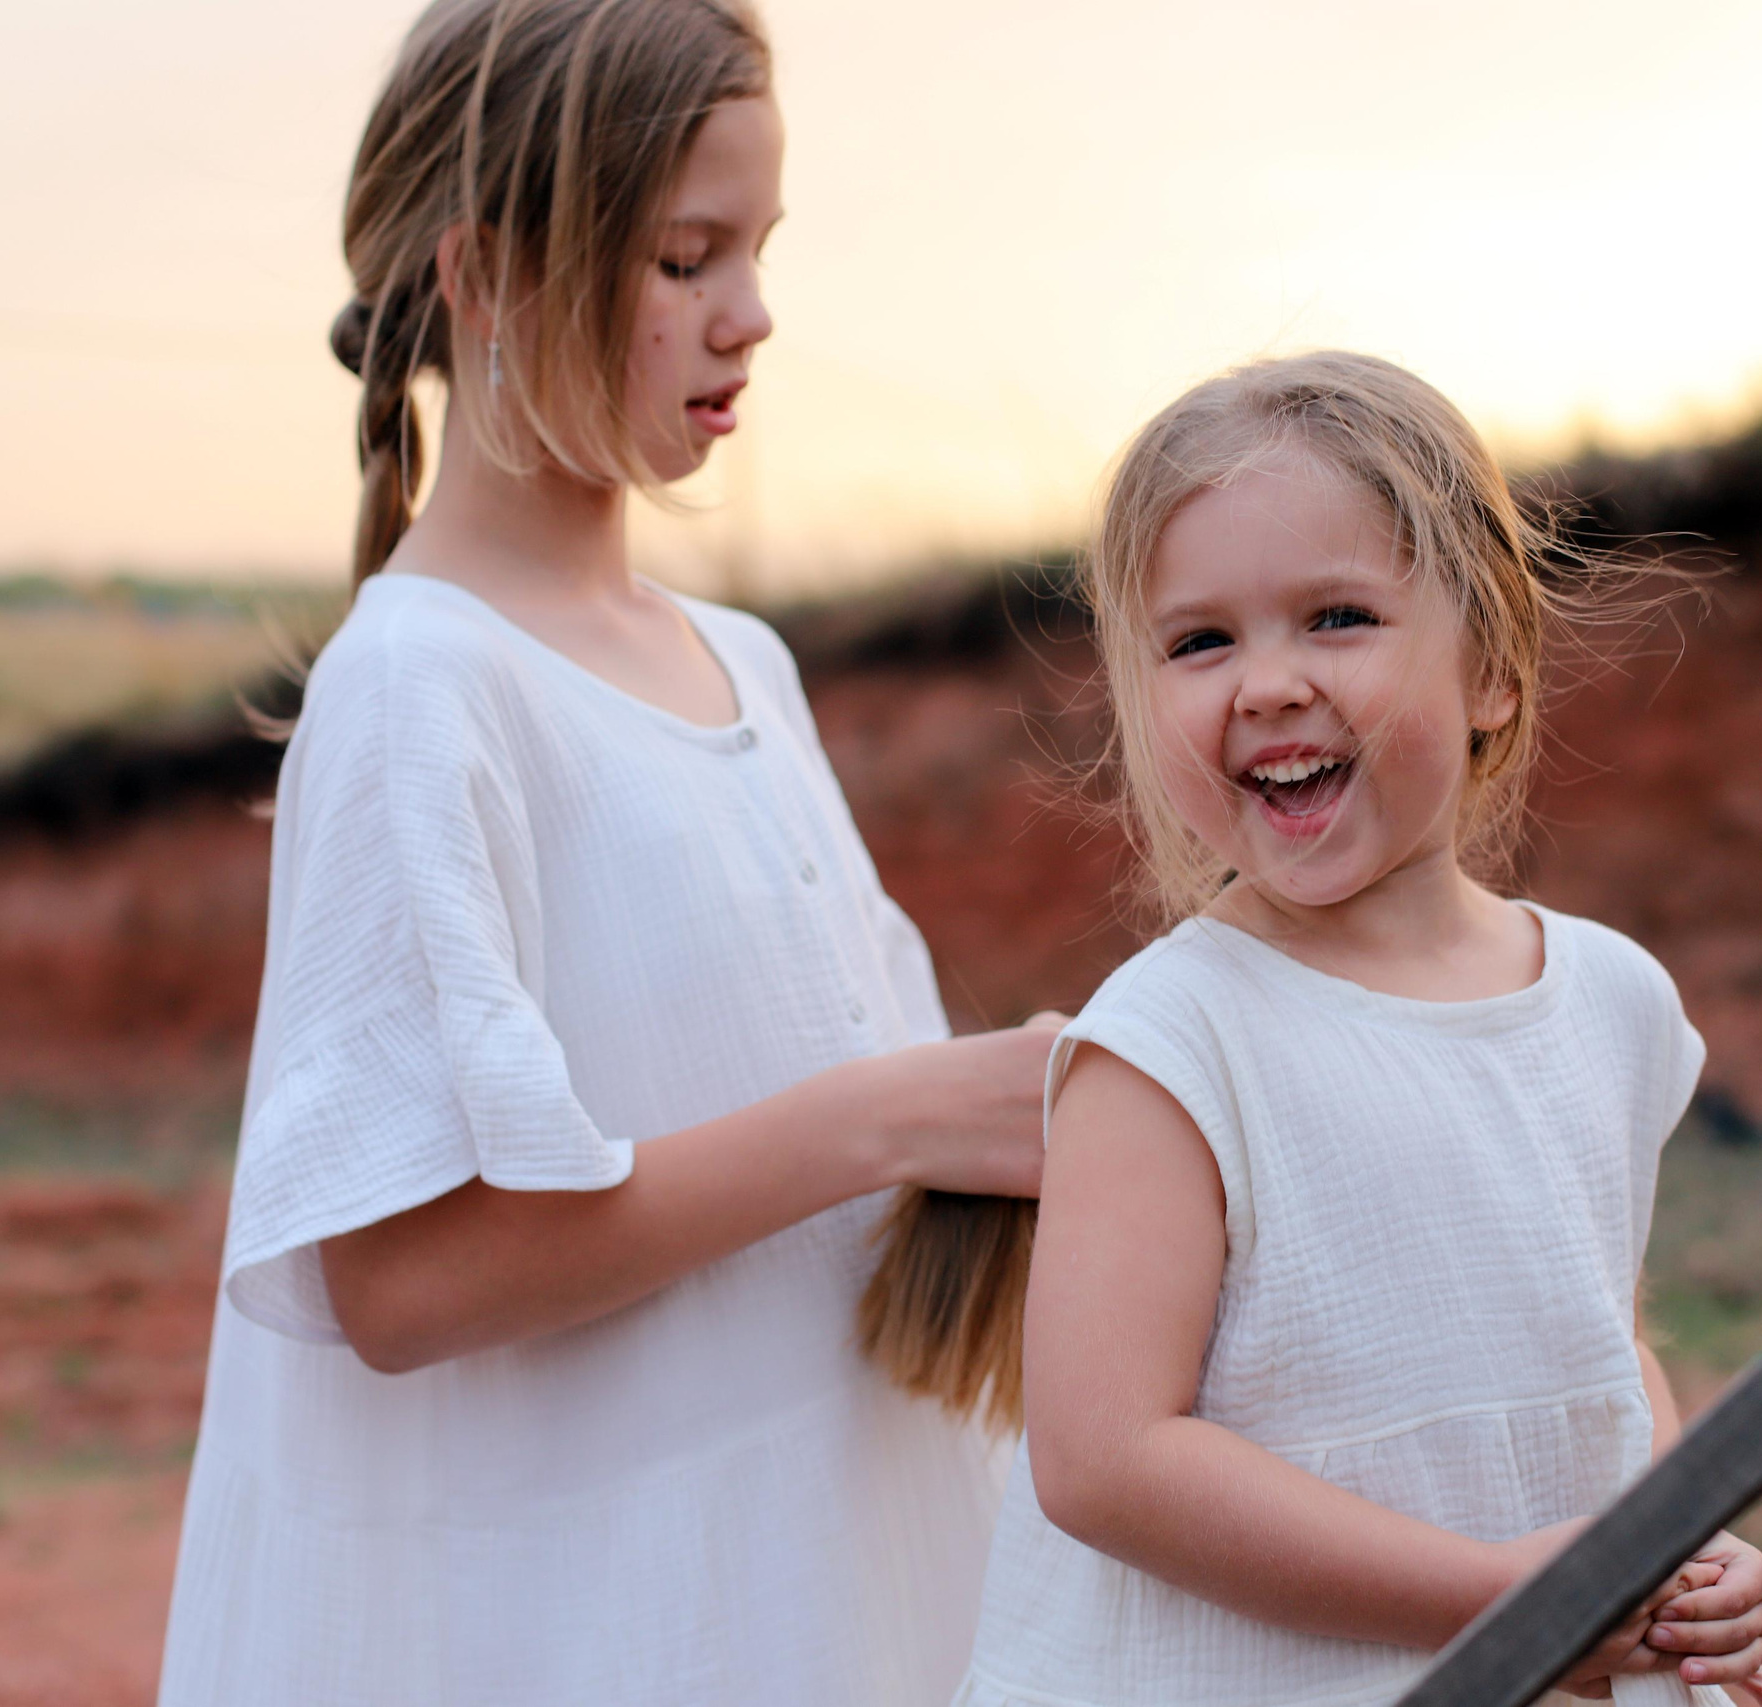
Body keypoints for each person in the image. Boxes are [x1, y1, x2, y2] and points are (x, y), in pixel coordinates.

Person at [154, 3, 1052, 1701]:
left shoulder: (746, 667)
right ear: (487, 277)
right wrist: (889, 1117)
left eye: (761, 250)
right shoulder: (423, 687)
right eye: (686, 257)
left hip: (827, 1598)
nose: (754, 314)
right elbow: (403, 1280)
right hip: (595, 1632)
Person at [942, 352, 1762, 1707]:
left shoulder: (1609, 1000)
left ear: (1493, 672)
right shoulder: (1172, 1041)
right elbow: (1104, 1463)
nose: (1268, 683)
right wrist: (1512, 1602)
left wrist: (1675, 1542)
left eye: (1338, 617)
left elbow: (1599, 1352)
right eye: (1200, 641)